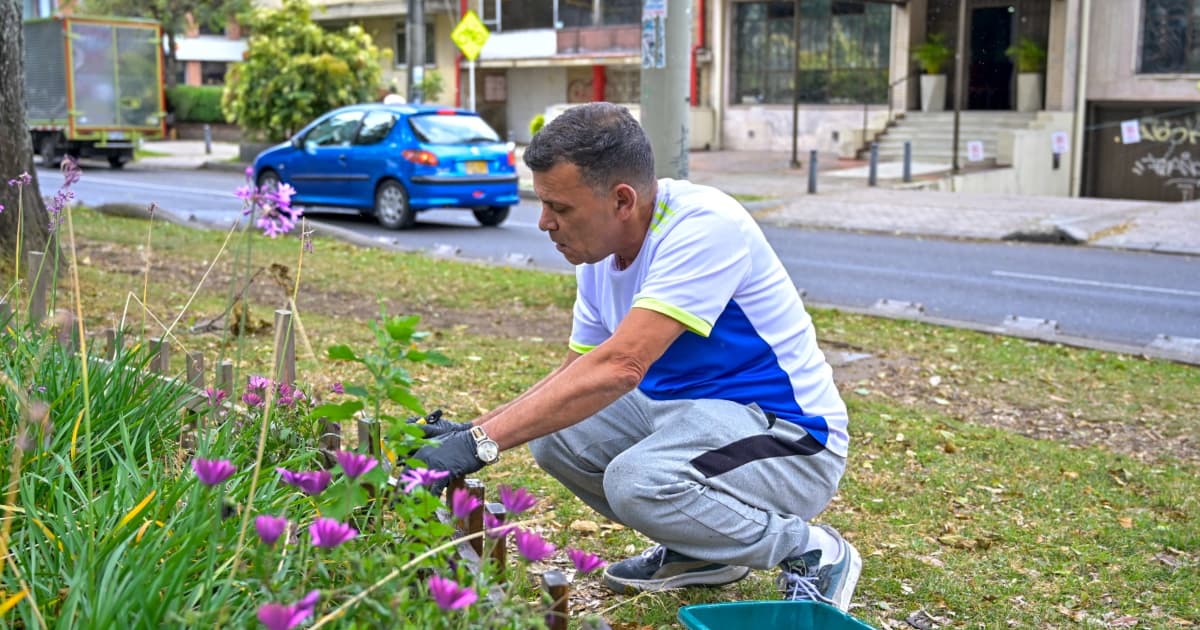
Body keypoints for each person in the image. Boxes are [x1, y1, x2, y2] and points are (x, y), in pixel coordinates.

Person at [412, 102, 860, 610]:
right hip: (691, 421)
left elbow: (621, 366)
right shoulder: (599, 254)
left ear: (622, 200)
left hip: (790, 440)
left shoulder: (704, 226)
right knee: (555, 434)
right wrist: (472, 430)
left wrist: (480, 445)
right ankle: (703, 552)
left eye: (559, 208)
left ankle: (811, 550)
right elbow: (576, 372)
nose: (543, 223)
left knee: (640, 482)